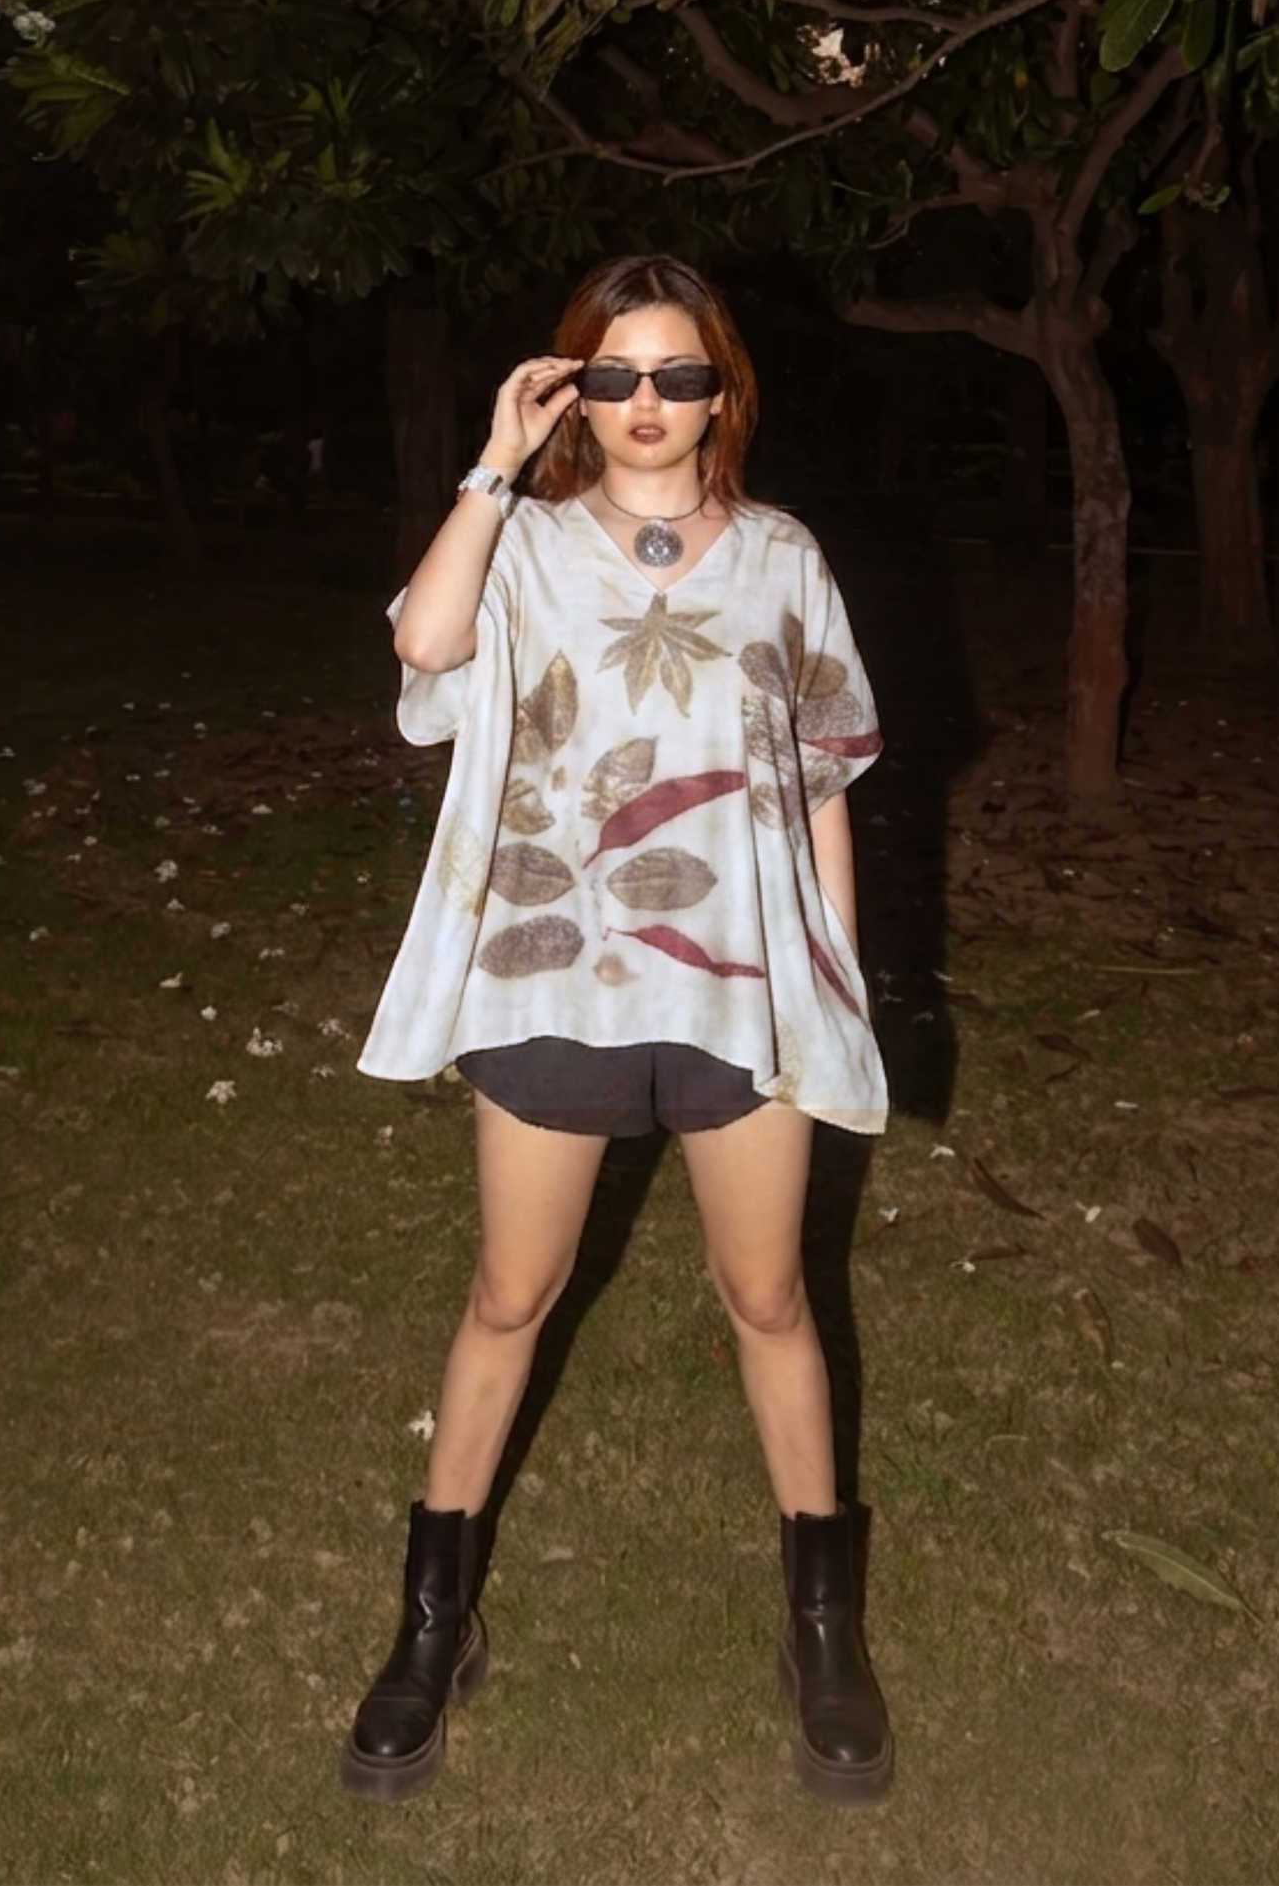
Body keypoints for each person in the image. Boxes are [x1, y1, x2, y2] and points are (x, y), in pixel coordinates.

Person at [345, 255, 892, 1807]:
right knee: (510, 1294)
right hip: (554, 972)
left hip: (736, 981)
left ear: (723, 394)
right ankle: (431, 1626)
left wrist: (831, 985)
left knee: (768, 1296)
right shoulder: (517, 544)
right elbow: (425, 648)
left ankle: (822, 1628)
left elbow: (821, 781)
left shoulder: (782, 558)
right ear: (570, 391)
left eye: (678, 375)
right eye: (613, 375)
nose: (647, 402)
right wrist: (491, 464)